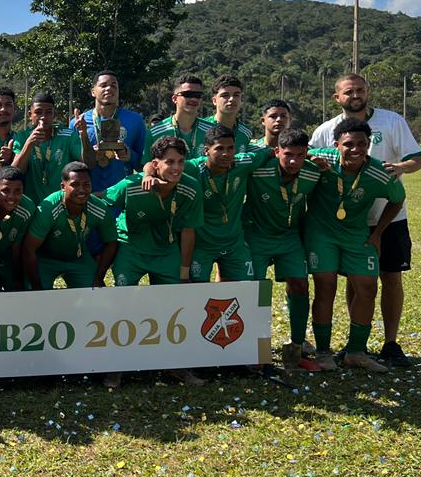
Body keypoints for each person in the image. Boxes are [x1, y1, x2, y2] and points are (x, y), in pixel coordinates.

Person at [309, 73, 421, 366]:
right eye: (349, 91)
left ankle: (390, 343)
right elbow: (306, 162)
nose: (355, 95)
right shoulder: (325, 130)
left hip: (387, 219)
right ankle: (350, 346)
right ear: (337, 97)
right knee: (354, 280)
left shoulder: (391, 121)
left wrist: (398, 168)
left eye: (360, 89)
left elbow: (417, 159)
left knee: (390, 277)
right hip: (345, 223)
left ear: (368, 91)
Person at [306, 118, 405, 373]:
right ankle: (323, 352)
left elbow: (397, 200)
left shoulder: (378, 172)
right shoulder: (322, 158)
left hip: (357, 237)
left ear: (369, 145)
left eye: (362, 144)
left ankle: (355, 352)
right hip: (322, 235)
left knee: (368, 287)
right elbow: (292, 154)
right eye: (349, 144)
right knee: (325, 287)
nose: (356, 149)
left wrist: (378, 233)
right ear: (336, 145)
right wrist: (309, 163)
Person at [244, 128, 325, 373]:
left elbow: (338, 153)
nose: (293, 161)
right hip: (257, 236)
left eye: (300, 155)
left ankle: (296, 349)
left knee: (300, 285)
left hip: (290, 238)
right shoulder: (258, 170)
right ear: (277, 151)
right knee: (256, 292)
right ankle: (254, 350)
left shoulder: (313, 172)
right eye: (288, 154)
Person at [103, 135, 202, 288]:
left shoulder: (191, 188)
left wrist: (184, 272)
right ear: (156, 164)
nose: (176, 167)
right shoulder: (132, 184)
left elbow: (188, 230)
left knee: (173, 300)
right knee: (123, 298)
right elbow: (102, 200)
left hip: (166, 251)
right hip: (131, 249)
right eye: (170, 162)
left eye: (181, 162)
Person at [180, 125, 269, 284]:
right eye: (219, 148)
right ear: (206, 150)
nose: (226, 153)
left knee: (245, 290)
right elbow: (155, 166)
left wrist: (310, 156)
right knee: (196, 293)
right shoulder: (193, 167)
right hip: (202, 245)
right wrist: (149, 175)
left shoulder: (243, 162)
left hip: (234, 244)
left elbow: (269, 152)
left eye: (230, 148)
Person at [22, 162, 118, 290]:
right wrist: (36, 286)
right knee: (35, 298)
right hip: (45, 260)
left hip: (78, 259)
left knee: (95, 295)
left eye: (86, 184)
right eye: (75, 185)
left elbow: (111, 242)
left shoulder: (99, 208)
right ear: (63, 186)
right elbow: (29, 248)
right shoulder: (48, 208)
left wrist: (99, 277)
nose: (82, 190)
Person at [74, 71, 147, 194]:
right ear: (93, 91)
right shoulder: (78, 123)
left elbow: (144, 163)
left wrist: (128, 155)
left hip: (121, 198)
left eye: (114, 86)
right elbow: (70, 165)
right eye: (103, 85)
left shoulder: (135, 121)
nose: (109, 88)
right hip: (88, 198)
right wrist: (89, 154)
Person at [10, 91, 84, 205]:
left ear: (54, 114)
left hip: (62, 205)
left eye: (49, 112)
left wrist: (84, 135)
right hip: (32, 206)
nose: (43, 117)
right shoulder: (22, 137)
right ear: (30, 115)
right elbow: (14, 173)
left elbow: (87, 163)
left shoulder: (68, 135)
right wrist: (29, 144)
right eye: (38, 112)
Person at [0, 166, 36, 291]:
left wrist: (16, 277)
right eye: (6, 190)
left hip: (6, 258)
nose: (11, 196)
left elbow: (17, 246)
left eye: (18, 191)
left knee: (19, 291)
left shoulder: (27, 208)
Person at [148, 74, 212, 161]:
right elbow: (146, 167)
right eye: (188, 94)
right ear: (174, 99)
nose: (194, 99)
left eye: (198, 95)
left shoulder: (212, 131)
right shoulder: (154, 133)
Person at [202, 74, 255, 145]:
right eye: (225, 95)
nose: (231, 99)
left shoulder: (246, 133)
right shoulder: (202, 129)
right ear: (214, 101)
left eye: (236, 95)